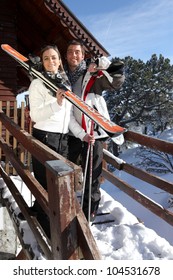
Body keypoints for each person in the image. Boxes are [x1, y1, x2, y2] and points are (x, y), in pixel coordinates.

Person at [19, 45, 92, 237]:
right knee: (46, 185)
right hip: (44, 137)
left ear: (60, 61)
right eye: (46, 58)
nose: (51, 61)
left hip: (62, 141)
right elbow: (35, 115)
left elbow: (68, 118)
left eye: (54, 58)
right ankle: (48, 233)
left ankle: (43, 216)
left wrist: (82, 134)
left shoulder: (64, 83)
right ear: (42, 63)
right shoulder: (38, 84)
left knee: (57, 185)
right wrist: (57, 103)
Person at [64, 40, 125, 222]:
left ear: (83, 55)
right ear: (66, 55)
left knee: (93, 171)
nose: (74, 55)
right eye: (70, 52)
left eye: (77, 52)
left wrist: (108, 66)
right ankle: (67, 205)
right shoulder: (63, 76)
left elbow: (116, 82)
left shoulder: (93, 75)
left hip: (93, 131)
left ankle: (89, 208)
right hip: (71, 131)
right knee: (66, 169)